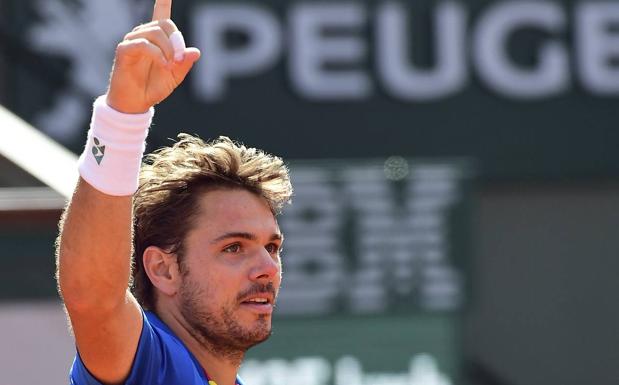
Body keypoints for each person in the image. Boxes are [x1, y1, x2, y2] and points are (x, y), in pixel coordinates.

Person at [56, 1, 293, 384]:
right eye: (233, 247)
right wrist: (123, 117)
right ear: (163, 269)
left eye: (272, 248)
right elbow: (92, 297)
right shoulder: (152, 365)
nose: (267, 269)